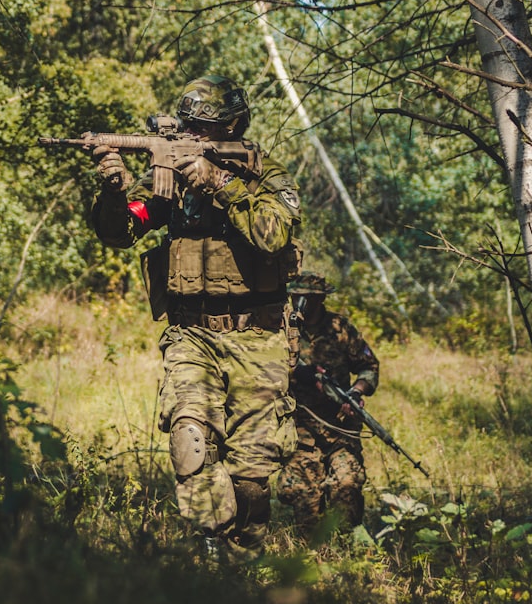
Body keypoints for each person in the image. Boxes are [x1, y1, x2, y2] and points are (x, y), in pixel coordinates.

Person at [88, 74, 303, 561]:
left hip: (259, 336)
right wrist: (114, 189)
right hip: (191, 334)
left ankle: (244, 558)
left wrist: (220, 182)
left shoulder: (266, 175)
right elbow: (122, 232)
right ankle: (209, 553)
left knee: (251, 474)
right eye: (189, 128)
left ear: (232, 127)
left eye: (204, 131)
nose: (194, 140)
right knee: (190, 436)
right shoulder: (170, 180)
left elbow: (273, 235)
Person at [277, 271, 380, 538]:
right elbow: (264, 369)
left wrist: (356, 393)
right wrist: (301, 375)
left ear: (321, 299)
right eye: (297, 297)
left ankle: (350, 549)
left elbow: (369, 367)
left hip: (339, 428)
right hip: (298, 428)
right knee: (305, 497)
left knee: (347, 486)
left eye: (309, 298)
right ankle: (311, 559)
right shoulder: (281, 329)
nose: (302, 303)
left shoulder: (339, 329)